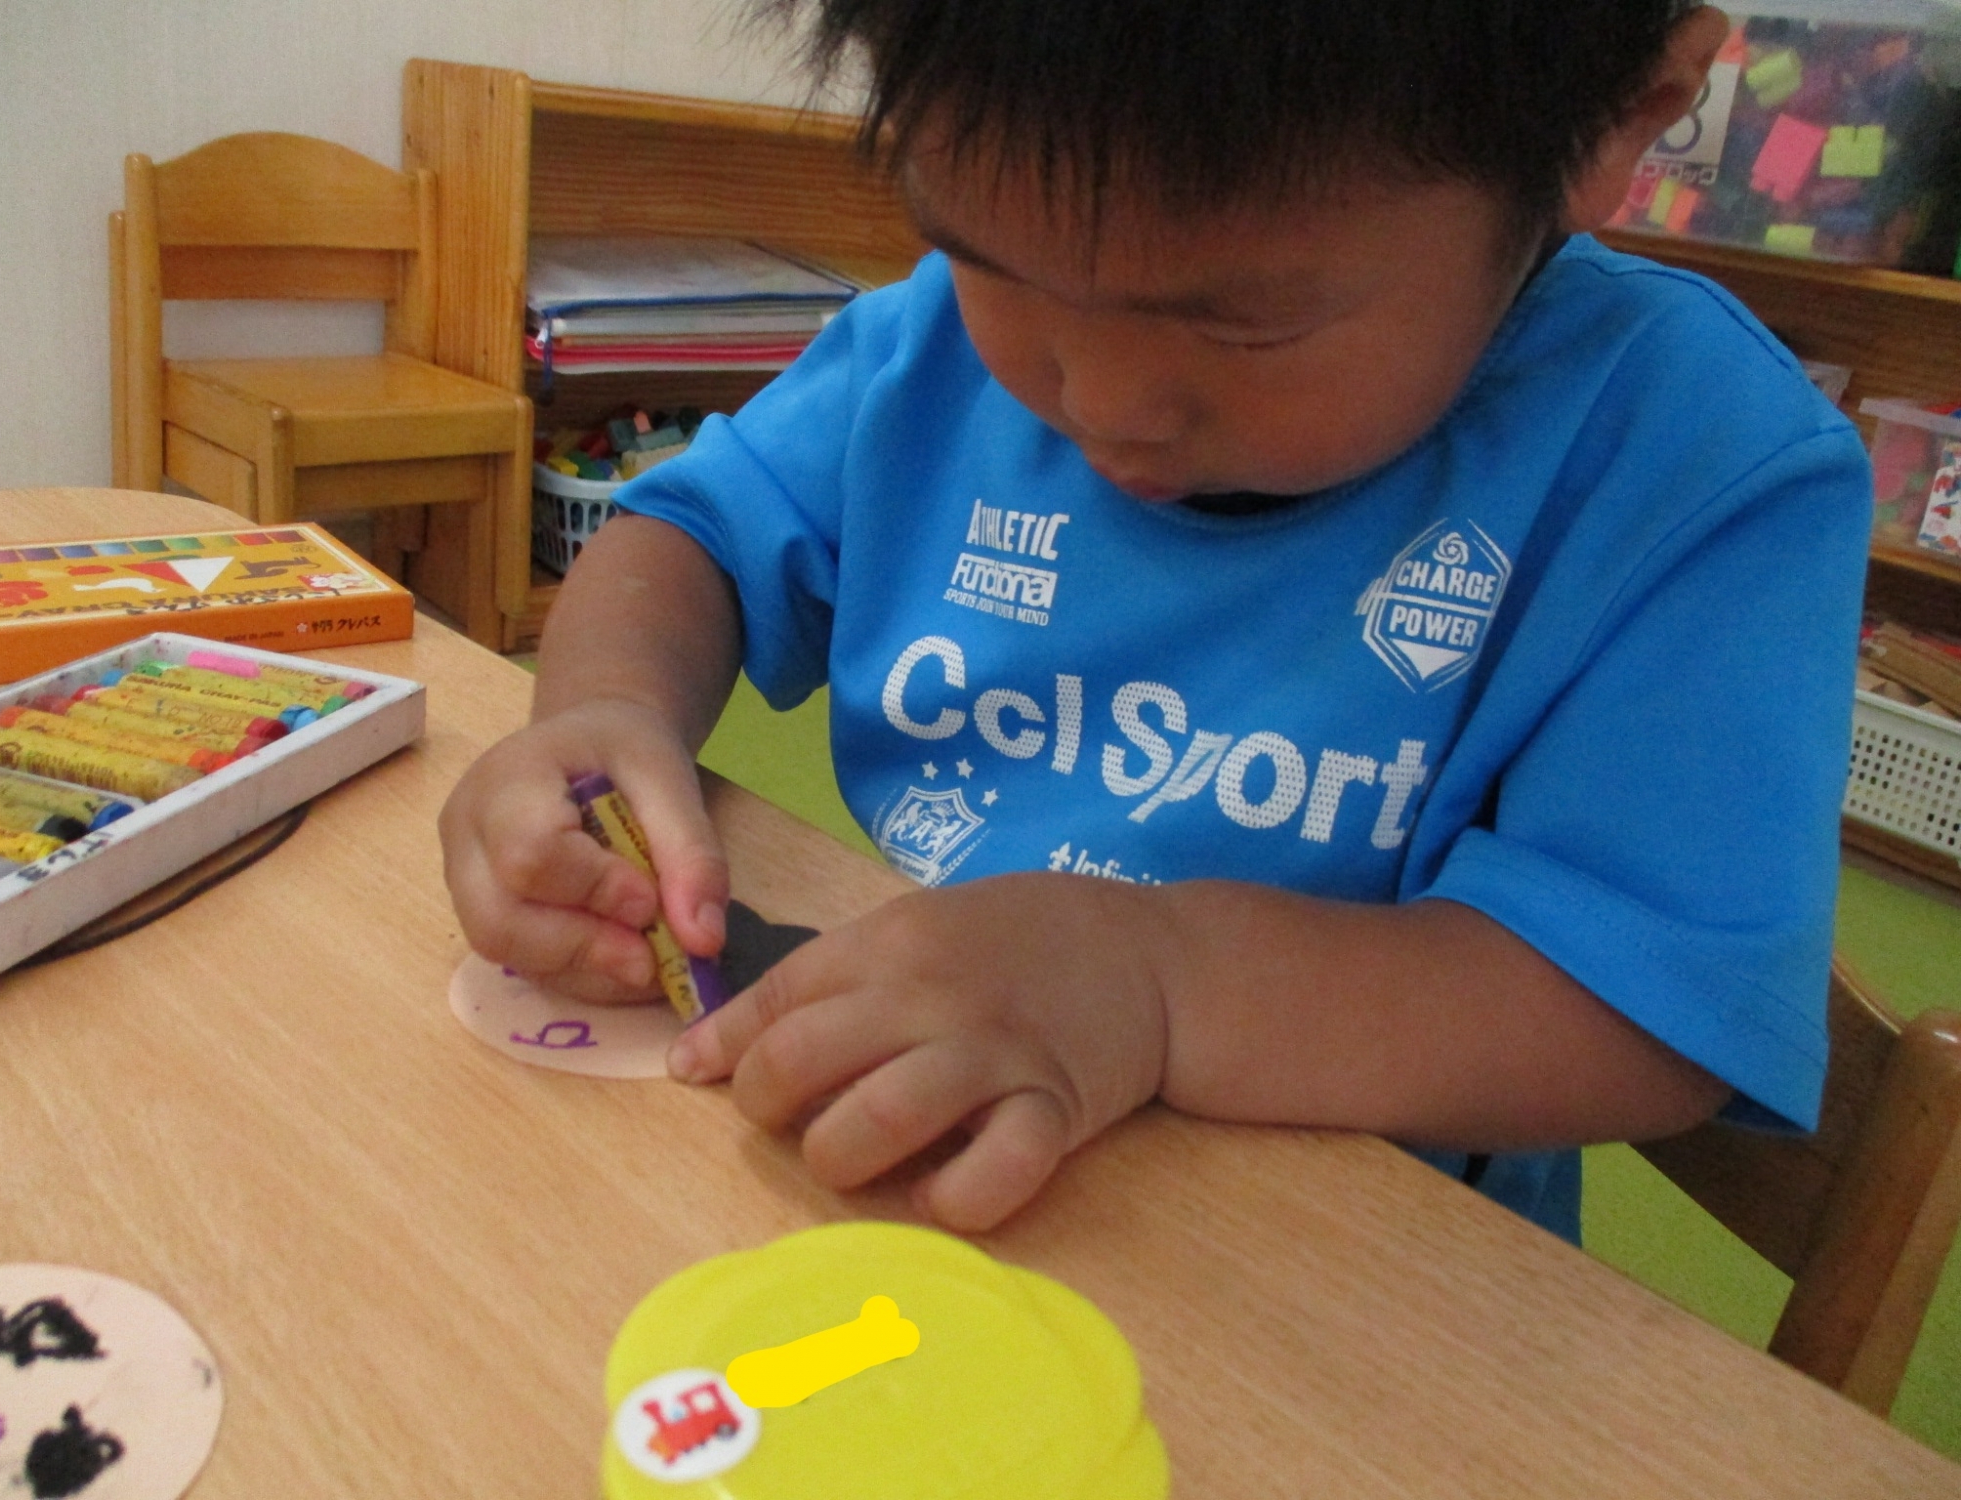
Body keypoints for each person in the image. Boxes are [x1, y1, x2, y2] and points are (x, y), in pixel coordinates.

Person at [440, 0, 1871, 1241]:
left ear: (1621, 121)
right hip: (930, 1178)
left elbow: (1646, 1012)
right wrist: (604, 711)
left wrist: (1157, 985)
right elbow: (687, 536)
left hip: (1342, 1296)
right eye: (995, 264)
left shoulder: (1695, 463)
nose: (1104, 405)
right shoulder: (926, 350)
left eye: (1246, 326)